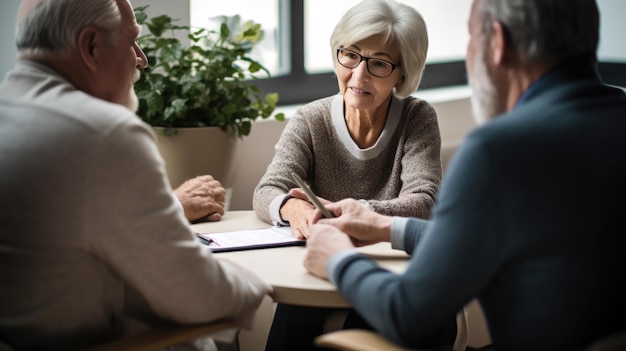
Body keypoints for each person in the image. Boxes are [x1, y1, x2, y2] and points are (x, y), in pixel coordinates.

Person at [303, 0, 626, 350]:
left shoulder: (499, 152)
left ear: (497, 42)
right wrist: (389, 228)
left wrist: (339, 259)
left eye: (472, 36)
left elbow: (408, 314)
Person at [0, 1, 270, 350]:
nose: (141, 59)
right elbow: (200, 294)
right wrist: (259, 285)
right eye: (132, 42)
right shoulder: (104, 134)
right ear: (91, 46)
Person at [255, 0, 456, 350]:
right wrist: (295, 209)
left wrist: (353, 212)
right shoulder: (310, 118)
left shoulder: (417, 117)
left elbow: (425, 203)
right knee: (294, 319)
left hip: (389, 269)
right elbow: (267, 190)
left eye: (378, 64)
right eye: (350, 55)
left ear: (402, 73)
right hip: (321, 266)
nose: (358, 76)